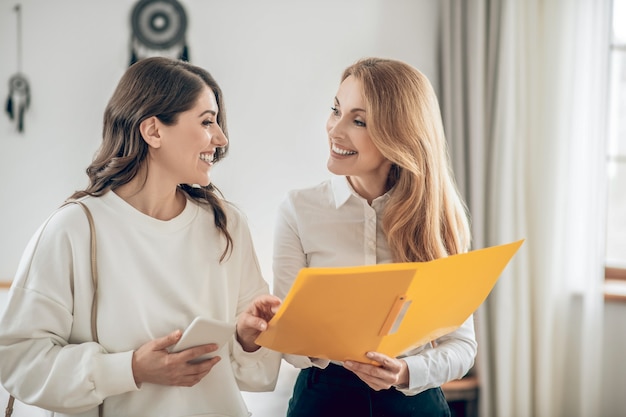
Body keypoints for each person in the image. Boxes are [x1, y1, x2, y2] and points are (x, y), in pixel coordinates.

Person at [0, 56, 282, 417]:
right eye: (207, 122)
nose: (221, 138)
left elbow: (252, 375)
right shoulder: (74, 228)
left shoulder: (225, 225)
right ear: (153, 131)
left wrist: (247, 338)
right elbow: (21, 363)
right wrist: (130, 369)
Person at [272, 57, 477, 417]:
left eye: (359, 121)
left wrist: (405, 373)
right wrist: (319, 345)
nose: (335, 131)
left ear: (399, 134)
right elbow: (287, 340)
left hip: (415, 403)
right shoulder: (299, 210)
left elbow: (461, 345)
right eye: (336, 110)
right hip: (323, 399)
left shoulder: (439, 219)